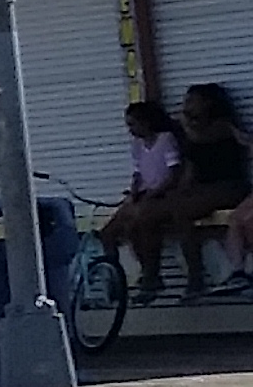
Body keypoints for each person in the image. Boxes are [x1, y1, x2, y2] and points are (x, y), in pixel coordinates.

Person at [108, 83, 251, 299]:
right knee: (147, 216)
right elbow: (191, 166)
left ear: (209, 103)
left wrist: (181, 124)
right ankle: (151, 276)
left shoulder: (222, 126)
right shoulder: (185, 131)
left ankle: (196, 277)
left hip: (228, 186)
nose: (186, 105)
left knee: (181, 212)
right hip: (201, 187)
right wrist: (179, 189)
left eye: (192, 101)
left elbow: (200, 137)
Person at [107, 102, 181, 293]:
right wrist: (133, 192)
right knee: (108, 232)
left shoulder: (166, 140)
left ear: (147, 122)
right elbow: (138, 173)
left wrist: (154, 192)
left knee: (138, 225)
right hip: (143, 194)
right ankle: (115, 278)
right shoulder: (137, 145)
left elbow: (173, 173)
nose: (131, 130)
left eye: (133, 124)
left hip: (161, 195)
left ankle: (151, 274)